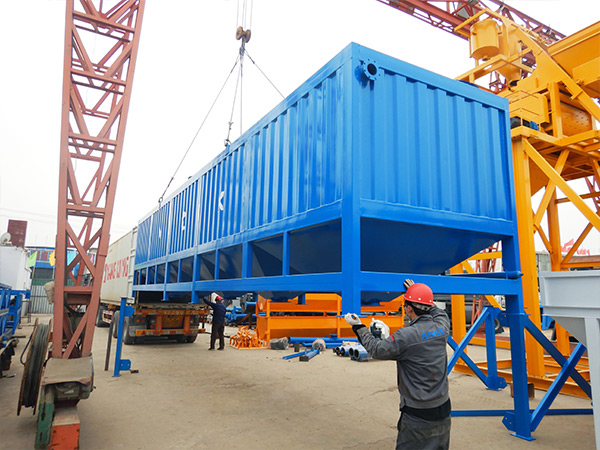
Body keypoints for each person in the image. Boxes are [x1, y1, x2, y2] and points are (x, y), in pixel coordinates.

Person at [344, 280, 451, 450]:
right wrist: (418, 292)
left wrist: (358, 326)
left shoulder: (406, 336)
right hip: (443, 408)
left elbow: (376, 349)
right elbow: (436, 311)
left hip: (417, 414)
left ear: (409, 309)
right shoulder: (443, 326)